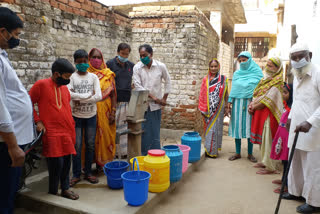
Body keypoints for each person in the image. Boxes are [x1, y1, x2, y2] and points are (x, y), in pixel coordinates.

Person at [0, 7, 34, 214]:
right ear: (3, 31)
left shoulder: (2, 55)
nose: (16, 39)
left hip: (12, 139)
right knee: (5, 191)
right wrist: (13, 146)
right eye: (16, 35)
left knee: (9, 189)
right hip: (6, 143)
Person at [29, 58, 79, 200]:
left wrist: (72, 129)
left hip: (67, 131)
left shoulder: (64, 89)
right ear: (57, 74)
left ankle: (65, 189)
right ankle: (52, 191)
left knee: (66, 162)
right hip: (51, 132)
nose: (68, 80)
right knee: (56, 164)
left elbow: (66, 109)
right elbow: (28, 104)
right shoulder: (41, 85)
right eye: (66, 77)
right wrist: (38, 121)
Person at [282, 43, 320, 213]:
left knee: (312, 166)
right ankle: (295, 192)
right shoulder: (296, 75)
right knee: (295, 161)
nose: (297, 61)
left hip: (312, 130)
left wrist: (310, 121)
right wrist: (290, 118)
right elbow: (296, 101)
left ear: (309, 55)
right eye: (294, 58)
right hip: (296, 127)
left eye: (300, 56)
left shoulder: (317, 74)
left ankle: (314, 202)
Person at [68, 49, 101, 186]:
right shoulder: (71, 77)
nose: (83, 64)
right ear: (75, 62)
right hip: (76, 116)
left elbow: (98, 96)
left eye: (85, 61)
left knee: (90, 145)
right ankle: (76, 174)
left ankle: (88, 172)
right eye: (80, 62)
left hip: (91, 116)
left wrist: (79, 98)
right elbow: (69, 94)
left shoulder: (93, 77)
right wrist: (88, 96)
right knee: (77, 145)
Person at [132, 44, 171, 155]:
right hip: (141, 105)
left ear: (151, 54)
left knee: (154, 132)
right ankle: (144, 155)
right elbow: (138, 86)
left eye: (145, 55)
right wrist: (153, 97)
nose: (142, 58)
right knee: (143, 132)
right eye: (141, 55)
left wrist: (164, 98)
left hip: (155, 107)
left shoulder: (160, 66)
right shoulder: (137, 67)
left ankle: (156, 155)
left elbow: (168, 81)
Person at [249, 57, 283, 175]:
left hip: (270, 114)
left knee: (268, 139)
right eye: (267, 65)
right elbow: (257, 93)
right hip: (261, 112)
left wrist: (254, 105)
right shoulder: (265, 79)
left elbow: (268, 99)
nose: (268, 68)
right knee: (263, 139)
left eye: (271, 66)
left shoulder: (277, 81)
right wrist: (252, 104)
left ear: (278, 68)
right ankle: (264, 161)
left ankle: (271, 166)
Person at [228, 51, 263, 162]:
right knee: (237, 128)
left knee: (249, 128)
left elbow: (260, 88)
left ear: (250, 60)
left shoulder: (257, 73)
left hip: (250, 103)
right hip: (237, 103)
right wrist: (229, 101)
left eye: (244, 60)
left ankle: (250, 153)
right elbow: (233, 89)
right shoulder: (237, 74)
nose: (242, 62)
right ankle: (237, 153)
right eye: (240, 61)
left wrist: (256, 103)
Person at [87, 48, 116, 169]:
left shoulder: (108, 74)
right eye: (94, 57)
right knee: (90, 138)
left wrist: (113, 112)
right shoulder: (85, 74)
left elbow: (113, 94)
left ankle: (103, 164)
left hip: (105, 109)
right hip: (89, 109)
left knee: (105, 136)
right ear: (89, 59)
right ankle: (88, 167)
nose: (96, 60)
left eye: (99, 57)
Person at [107, 43, 134, 158]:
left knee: (123, 129)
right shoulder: (110, 64)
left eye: (127, 54)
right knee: (112, 128)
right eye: (123, 53)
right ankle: (111, 152)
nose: (124, 56)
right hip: (113, 101)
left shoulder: (131, 65)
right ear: (118, 52)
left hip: (126, 101)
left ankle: (122, 153)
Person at [198, 59, 229, 158]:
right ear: (209, 67)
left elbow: (226, 93)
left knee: (216, 129)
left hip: (219, 108)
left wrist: (227, 106)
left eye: (215, 66)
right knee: (209, 129)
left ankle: (214, 150)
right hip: (208, 109)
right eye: (212, 66)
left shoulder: (224, 79)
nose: (213, 68)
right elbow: (202, 94)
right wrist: (203, 108)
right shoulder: (205, 80)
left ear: (218, 67)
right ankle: (208, 149)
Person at [270, 82, 293, 193]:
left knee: (287, 161)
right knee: (284, 161)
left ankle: (287, 184)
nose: (283, 95)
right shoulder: (286, 105)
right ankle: (284, 179)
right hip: (282, 138)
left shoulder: (292, 108)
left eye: (285, 92)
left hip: (288, 139)